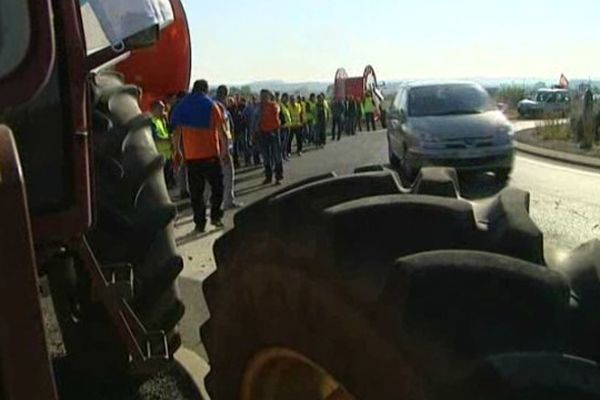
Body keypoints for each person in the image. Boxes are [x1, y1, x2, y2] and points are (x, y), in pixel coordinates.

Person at [170, 79, 225, 233]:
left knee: (196, 193)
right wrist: (225, 150)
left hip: (192, 156)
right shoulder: (212, 105)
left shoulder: (182, 106)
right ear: (206, 90)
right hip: (211, 155)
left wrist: (177, 151)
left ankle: (199, 224)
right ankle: (216, 216)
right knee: (217, 187)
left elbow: (176, 131)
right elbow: (221, 130)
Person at [215, 85, 242, 209]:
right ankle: (227, 202)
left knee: (220, 177)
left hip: (220, 146)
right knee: (228, 175)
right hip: (223, 147)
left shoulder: (216, 106)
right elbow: (222, 128)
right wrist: (226, 148)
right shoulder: (219, 108)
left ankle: (219, 202)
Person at [252, 89, 283, 184]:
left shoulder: (273, 105)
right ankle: (268, 176)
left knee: (276, 154)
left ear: (269, 96)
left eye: (265, 96)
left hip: (273, 132)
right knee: (266, 156)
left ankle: (278, 176)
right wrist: (254, 132)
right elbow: (255, 120)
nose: (263, 98)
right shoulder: (258, 107)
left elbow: (277, 112)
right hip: (263, 133)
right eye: (262, 96)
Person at [150, 100, 175, 188]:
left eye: (163, 108)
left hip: (168, 153)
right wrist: (169, 139)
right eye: (160, 108)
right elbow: (155, 137)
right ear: (153, 110)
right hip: (159, 153)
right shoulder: (152, 122)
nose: (163, 110)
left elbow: (168, 132)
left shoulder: (163, 120)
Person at [279, 93, 292, 161]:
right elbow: (279, 116)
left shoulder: (286, 106)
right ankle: (281, 156)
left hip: (288, 126)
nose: (287, 99)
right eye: (286, 98)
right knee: (283, 143)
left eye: (287, 98)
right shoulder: (280, 106)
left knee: (286, 142)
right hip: (283, 127)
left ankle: (284, 155)